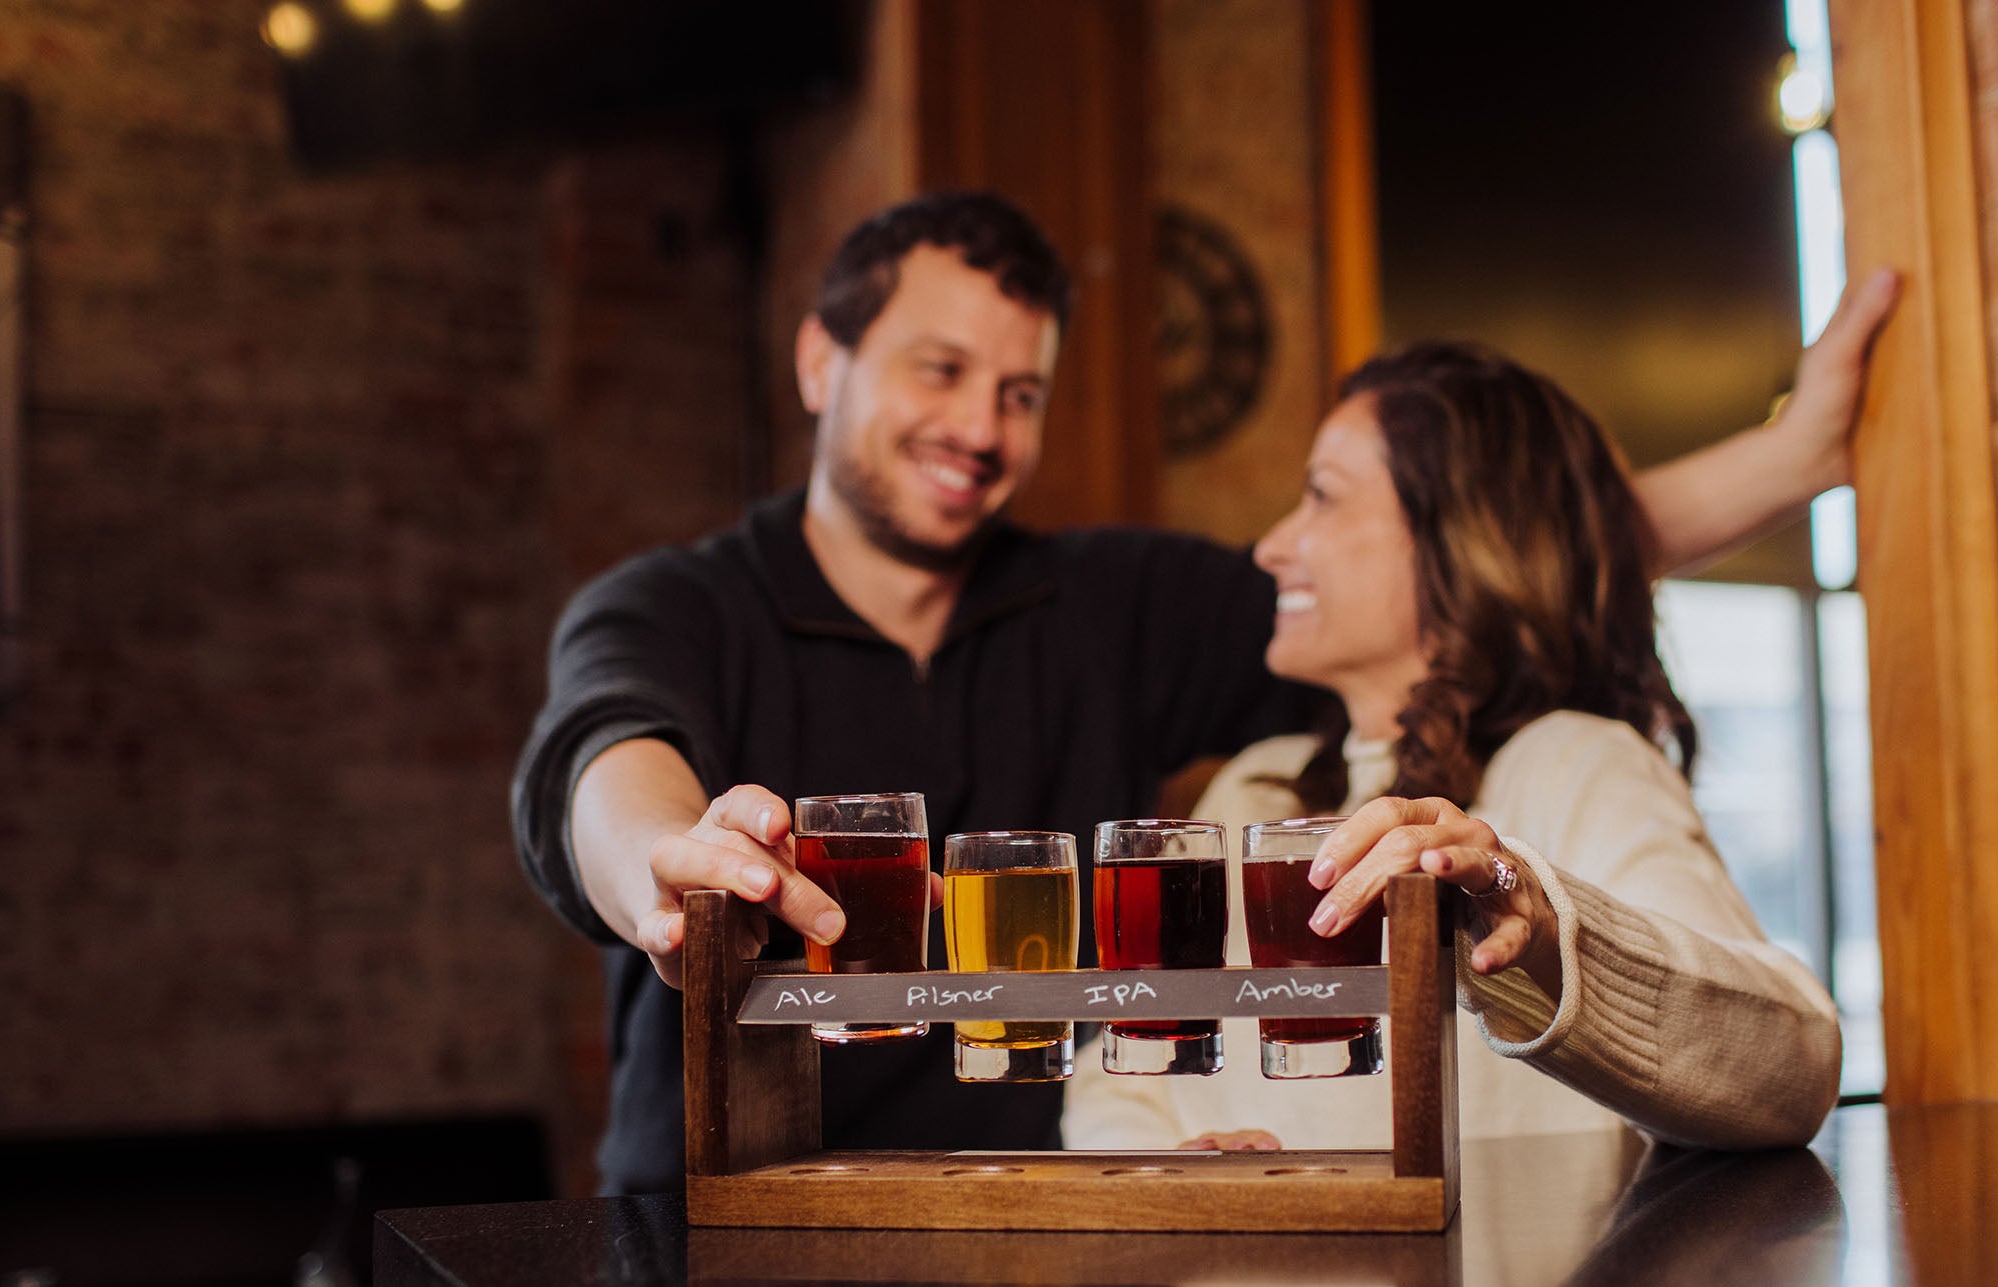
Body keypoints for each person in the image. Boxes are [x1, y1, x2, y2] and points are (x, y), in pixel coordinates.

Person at [511, 191, 1896, 1192]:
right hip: (728, 1235)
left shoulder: (1116, 607)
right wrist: (658, 864)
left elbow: (1475, 560)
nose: (981, 429)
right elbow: (603, 751)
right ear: (825, 361)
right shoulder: (674, 603)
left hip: (1042, 1258)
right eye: (941, 370)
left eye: (1023, 392)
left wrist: (1785, 471)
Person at [1063, 345, 1842, 1154]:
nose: (1270, 547)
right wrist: (1153, 1174)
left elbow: (1789, 1063)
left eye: (1322, 498)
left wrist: (1540, 933)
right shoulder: (1253, 791)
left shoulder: (1572, 765)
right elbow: (1120, 1083)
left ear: (1458, 539)